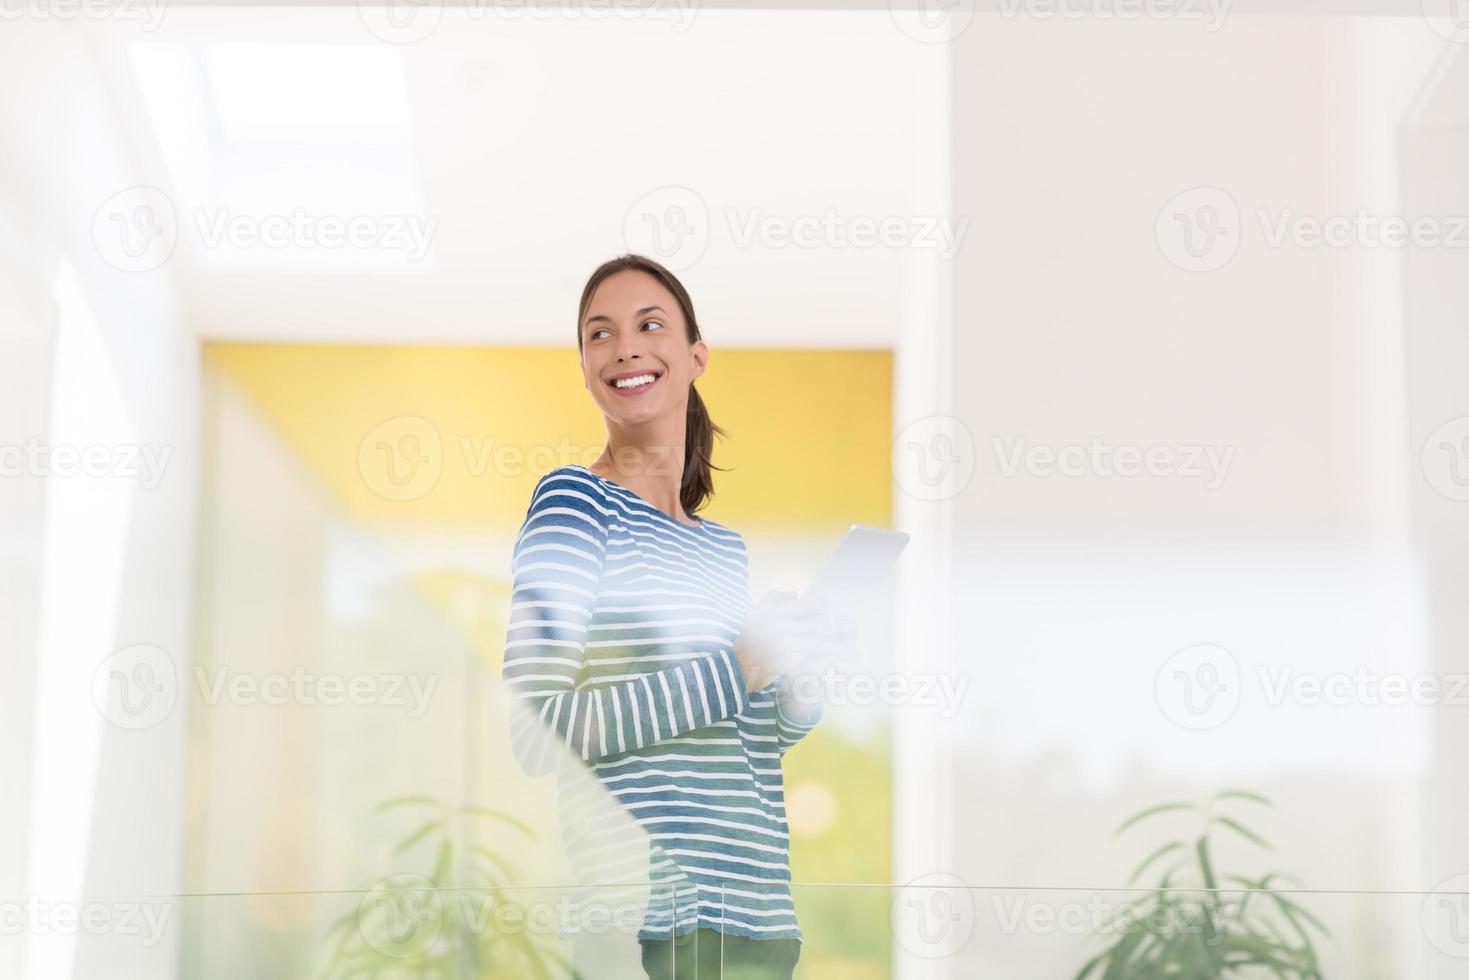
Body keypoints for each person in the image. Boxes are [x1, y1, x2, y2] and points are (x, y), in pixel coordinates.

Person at [501, 254, 851, 979]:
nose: (625, 345)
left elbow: (746, 740)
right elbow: (536, 732)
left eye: (648, 324)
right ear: (585, 367)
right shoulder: (573, 503)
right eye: (600, 333)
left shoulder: (721, 549)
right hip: (646, 922)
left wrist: (800, 678)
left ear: (695, 357)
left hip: (756, 918)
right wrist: (735, 668)